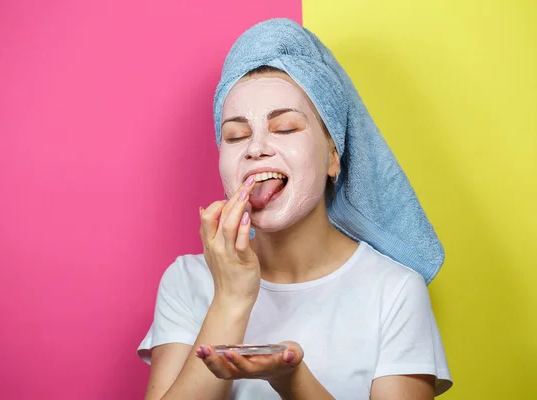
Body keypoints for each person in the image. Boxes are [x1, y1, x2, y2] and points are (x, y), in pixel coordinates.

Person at [137, 18, 452, 399]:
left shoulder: (395, 291)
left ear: (334, 156)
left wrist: (292, 380)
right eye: (235, 135)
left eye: (284, 128)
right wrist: (230, 298)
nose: (255, 148)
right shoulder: (187, 281)